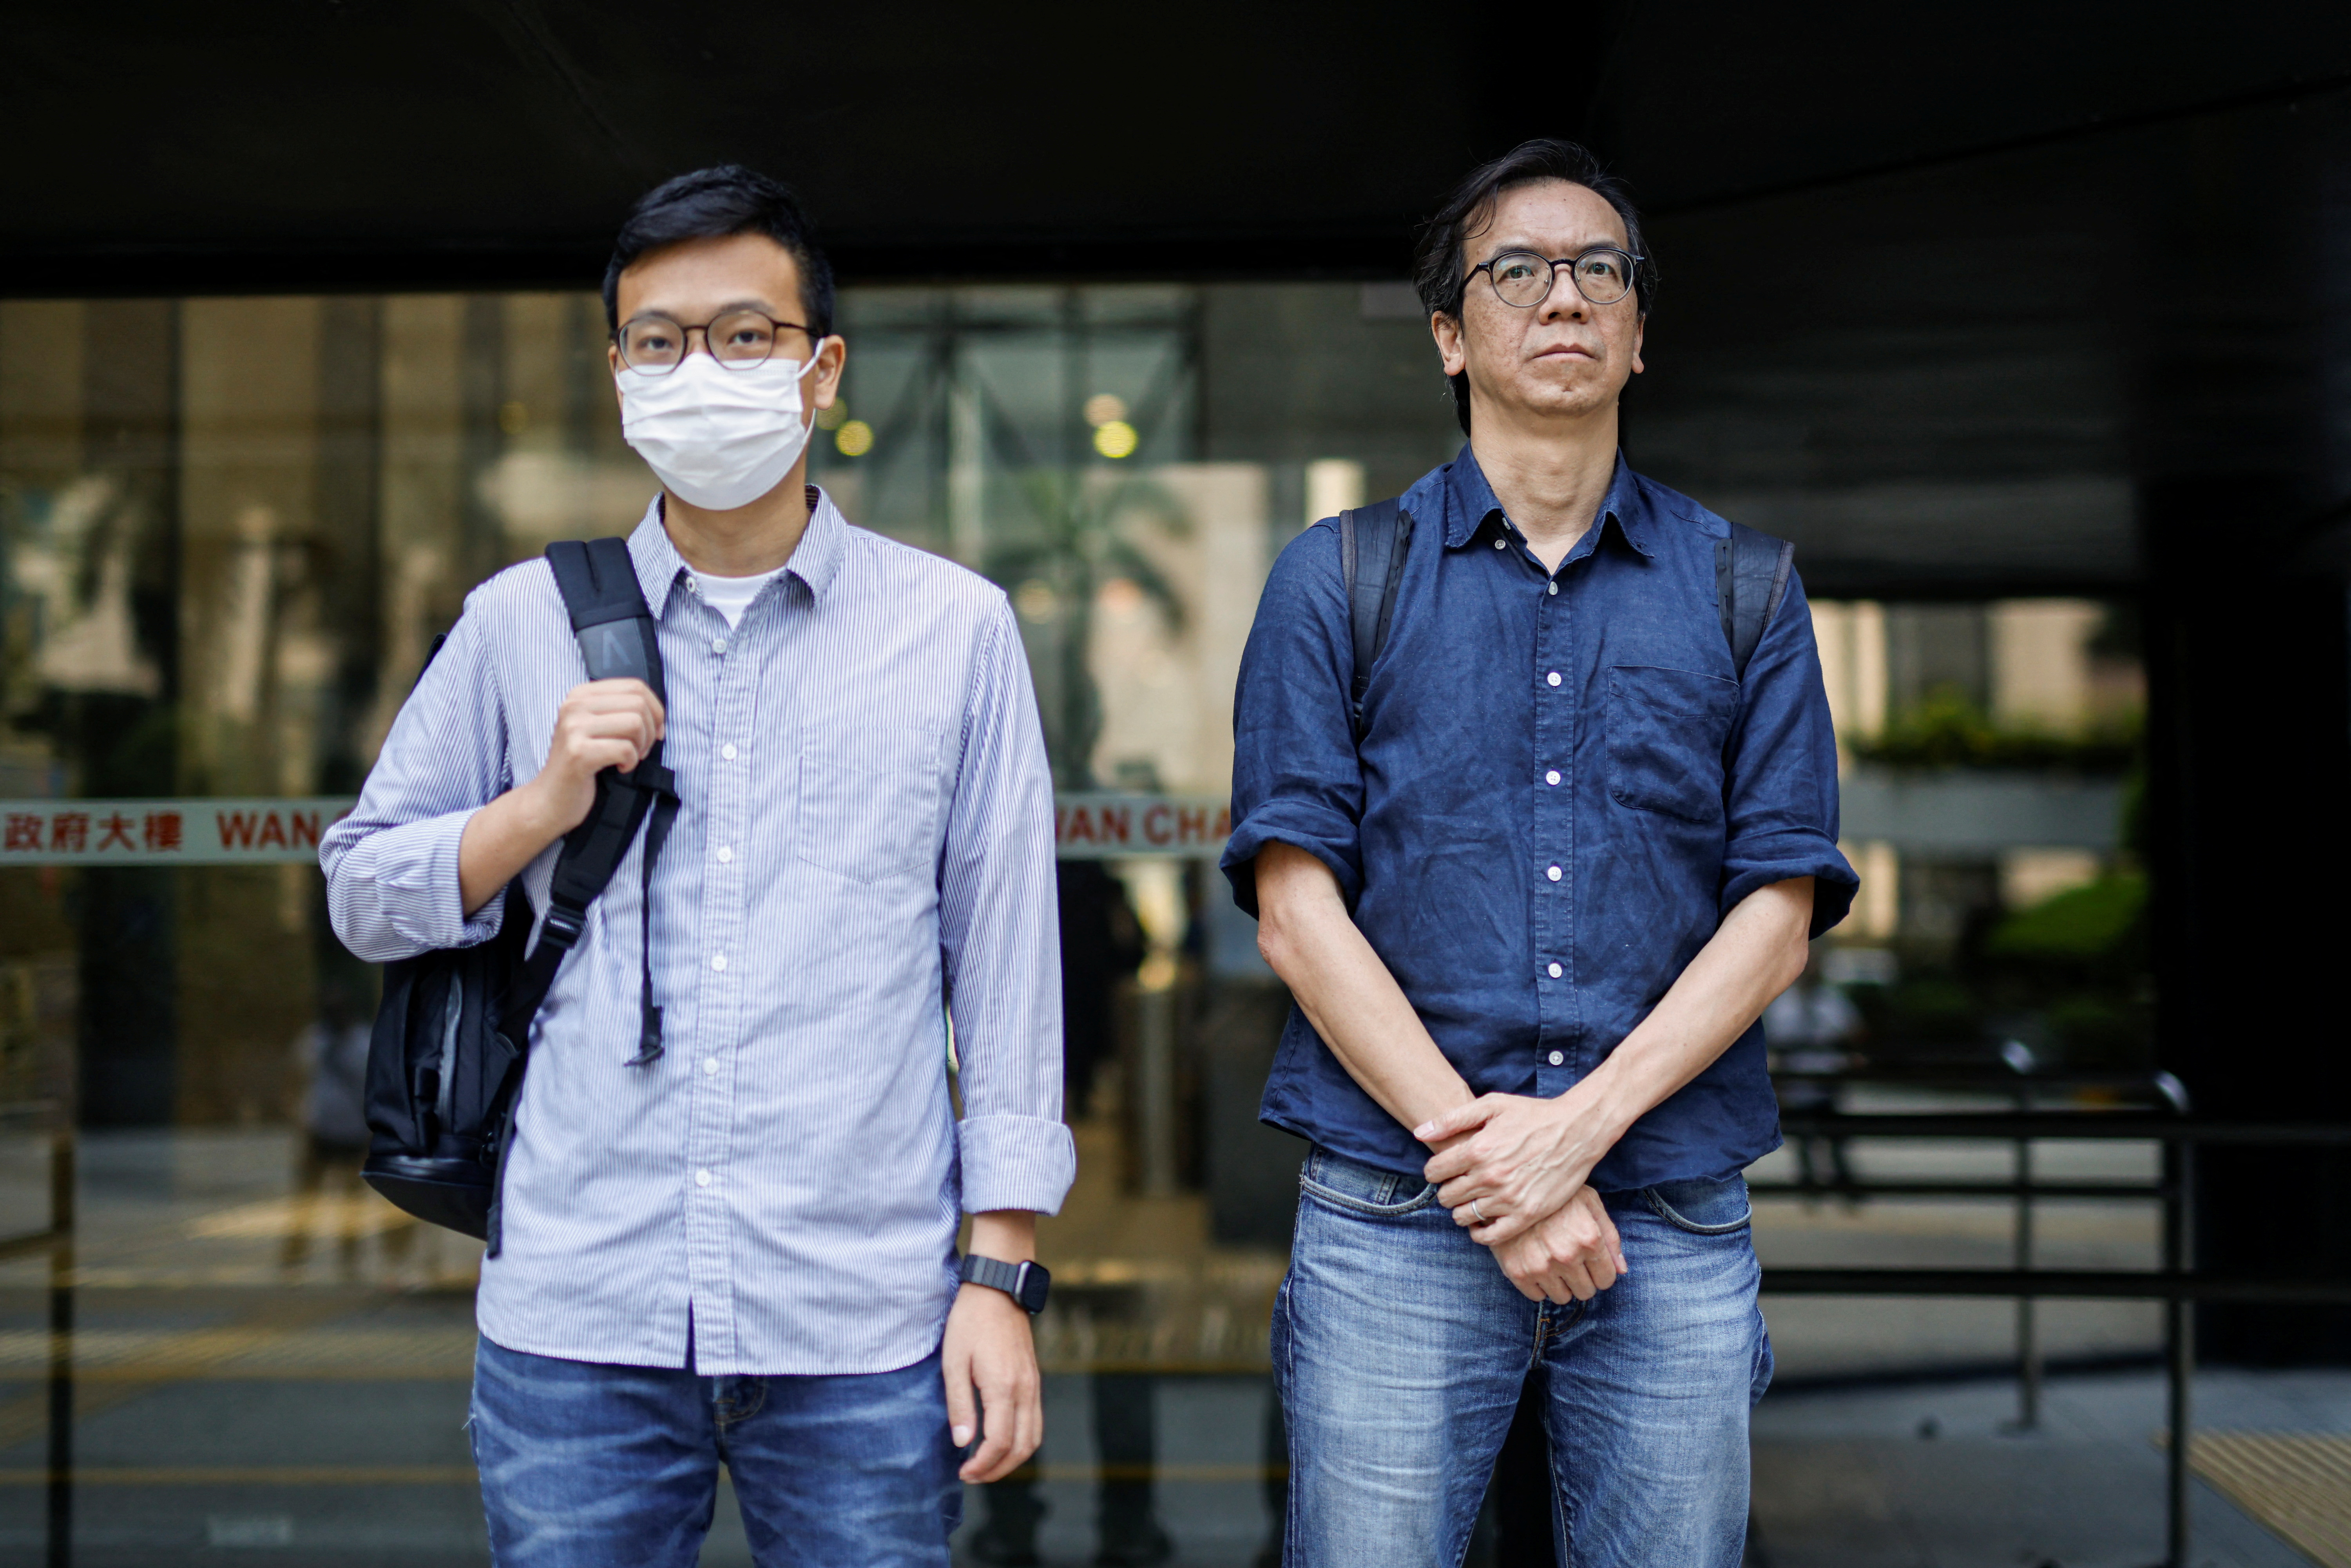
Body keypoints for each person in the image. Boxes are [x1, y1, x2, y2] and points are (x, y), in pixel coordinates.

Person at [321, 165, 1073, 1568]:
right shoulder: (517, 622)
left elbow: (1009, 970)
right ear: (618, 373)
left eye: (744, 336)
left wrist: (1001, 1274)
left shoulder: (956, 632)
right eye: (660, 342)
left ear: (821, 369)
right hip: (577, 1312)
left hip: (862, 1321)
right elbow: (362, 892)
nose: (698, 370)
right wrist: (537, 804)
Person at [1222, 139, 1858, 1567]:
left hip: (1669, 1209)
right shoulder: (1337, 578)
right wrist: (1495, 1166)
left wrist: (1573, 1137)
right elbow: (1294, 908)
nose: (1562, 297)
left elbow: (1778, 908)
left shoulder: (1746, 587)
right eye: (1517, 271)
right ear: (1452, 334)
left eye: (1598, 271)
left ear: (1641, 328)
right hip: (1395, 1215)